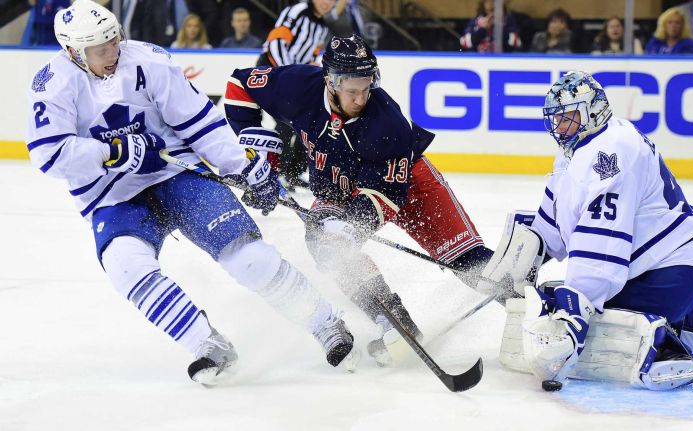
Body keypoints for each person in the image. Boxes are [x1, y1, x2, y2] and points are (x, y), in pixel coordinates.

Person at [26, 0, 358, 386]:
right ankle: (206, 343)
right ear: (73, 52)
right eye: (100, 50)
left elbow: (200, 123)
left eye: (114, 41)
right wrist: (111, 152)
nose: (112, 53)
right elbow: (49, 154)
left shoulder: (148, 60)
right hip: (112, 195)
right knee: (125, 266)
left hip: (174, 172)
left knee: (245, 256)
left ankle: (325, 322)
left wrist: (244, 166)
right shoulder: (53, 84)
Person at [223, 35, 503, 366]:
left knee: (465, 260)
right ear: (329, 80)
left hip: (411, 186)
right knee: (325, 246)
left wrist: (352, 227)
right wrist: (259, 150)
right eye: (351, 88)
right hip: (337, 189)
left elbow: (387, 196)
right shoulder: (298, 86)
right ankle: (395, 322)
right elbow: (239, 84)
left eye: (366, 86)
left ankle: (534, 304)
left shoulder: (388, 123)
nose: (360, 97)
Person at [492, 71, 693, 390]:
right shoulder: (585, 144)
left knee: (567, 300)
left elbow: (601, 250)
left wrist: (573, 318)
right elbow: (554, 224)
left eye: (569, 117)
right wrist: (521, 260)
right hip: (672, 267)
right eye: (557, 119)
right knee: (561, 290)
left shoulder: (608, 153)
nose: (560, 127)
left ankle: (667, 345)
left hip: (672, 273)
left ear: (593, 112)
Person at [258, 0, 335, 191]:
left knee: (307, 122)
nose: (326, 2)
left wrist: (310, 70)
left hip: (295, 77)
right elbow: (275, 42)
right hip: (274, 70)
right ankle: (275, 172)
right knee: (285, 123)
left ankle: (292, 172)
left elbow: (313, 53)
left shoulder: (322, 26)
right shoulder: (297, 11)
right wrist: (287, 72)